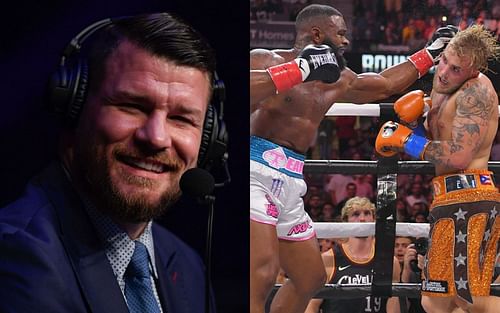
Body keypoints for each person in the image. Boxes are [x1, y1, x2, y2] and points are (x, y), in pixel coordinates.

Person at [0, 13, 220, 312]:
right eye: (131, 106)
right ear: (75, 108)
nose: (156, 138)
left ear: (207, 140)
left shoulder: (188, 266)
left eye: (181, 119)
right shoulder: (17, 257)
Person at [250, 4, 458, 313]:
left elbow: (385, 84)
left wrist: (430, 53)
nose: (347, 41)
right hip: (255, 170)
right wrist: (299, 71)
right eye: (341, 33)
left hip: (292, 178)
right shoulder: (268, 59)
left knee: (310, 277)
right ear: (317, 34)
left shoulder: (341, 79)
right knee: (263, 273)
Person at [375, 24, 500, 312]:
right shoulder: (442, 87)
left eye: (455, 69)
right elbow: (437, 143)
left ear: (473, 70)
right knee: (434, 301)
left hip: (470, 199)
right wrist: (419, 123)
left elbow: (457, 156)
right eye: (443, 60)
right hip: (446, 198)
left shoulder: (476, 91)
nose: (443, 72)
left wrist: (406, 140)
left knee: (467, 298)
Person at [304, 197, 402, 313]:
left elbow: (392, 306)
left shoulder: (389, 261)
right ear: (346, 221)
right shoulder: (329, 259)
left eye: (367, 213)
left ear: (374, 218)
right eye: (355, 214)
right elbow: (311, 306)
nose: (362, 219)